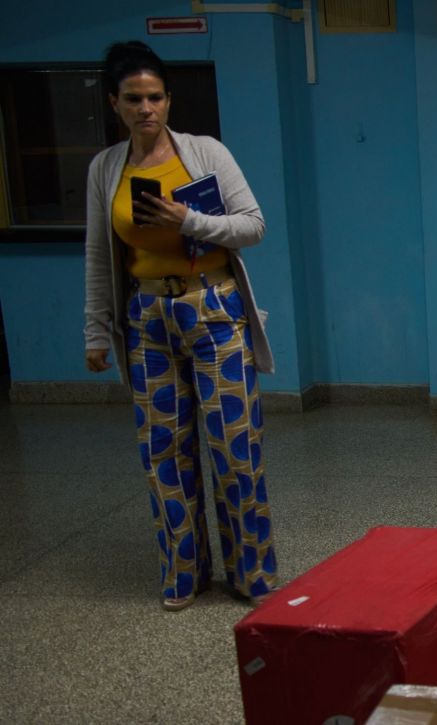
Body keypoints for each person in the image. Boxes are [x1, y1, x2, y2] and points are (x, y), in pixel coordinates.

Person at [83, 41, 278, 610]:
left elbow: (253, 226)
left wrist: (187, 219)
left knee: (235, 448)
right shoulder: (105, 169)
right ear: (115, 104)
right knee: (164, 452)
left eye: (155, 97)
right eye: (133, 99)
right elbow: (99, 254)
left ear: (169, 100)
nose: (146, 108)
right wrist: (97, 330)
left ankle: (252, 574)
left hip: (213, 310)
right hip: (147, 320)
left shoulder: (205, 153)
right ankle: (184, 573)